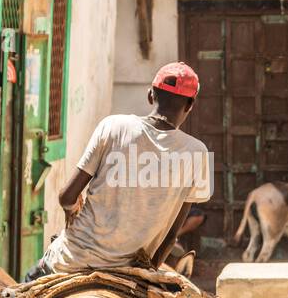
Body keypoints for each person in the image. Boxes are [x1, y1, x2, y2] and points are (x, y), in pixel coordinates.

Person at [24, 62, 212, 279]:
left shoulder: (113, 126)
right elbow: (170, 237)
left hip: (71, 261)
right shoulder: (198, 152)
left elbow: (67, 196)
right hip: (131, 272)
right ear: (190, 105)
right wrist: (147, 271)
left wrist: (71, 210)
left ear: (150, 95)